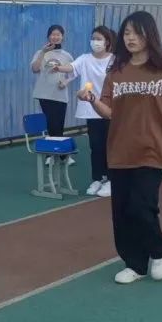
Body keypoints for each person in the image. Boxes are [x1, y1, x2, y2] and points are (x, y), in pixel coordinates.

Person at [78, 11, 162, 285]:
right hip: (120, 150)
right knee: (121, 212)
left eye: (137, 33)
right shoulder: (117, 71)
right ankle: (135, 264)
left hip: (153, 150)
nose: (130, 38)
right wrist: (92, 99)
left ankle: (159, 248)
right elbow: (109, 112)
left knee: (142, 206)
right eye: (127, 33)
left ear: (149, 35)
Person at [53, 26, 115, 196]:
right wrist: (58, 67)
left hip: (109, 109)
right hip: (91, 109)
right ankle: (98, 178)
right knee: (95, 146)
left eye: (99, 39)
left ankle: (111, 180)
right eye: (93, 38)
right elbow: (71, 67)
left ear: (107, 42)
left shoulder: (114, 60)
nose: (95, 42)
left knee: (110, 146)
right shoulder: (85, 58)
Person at [31, 24, 74, 164]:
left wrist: (66, 82)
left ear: (62, 37)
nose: (55, 37)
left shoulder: (67, 55)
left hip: (60, 95)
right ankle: (51, 155)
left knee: (59, 124)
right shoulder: (40, 52)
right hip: (44, 94)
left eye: (58, 34)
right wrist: (43, 52)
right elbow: (35, 69)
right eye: (53, 34)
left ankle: (61, 154)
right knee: (50, 124)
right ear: (48, 36)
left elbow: (73, 73)